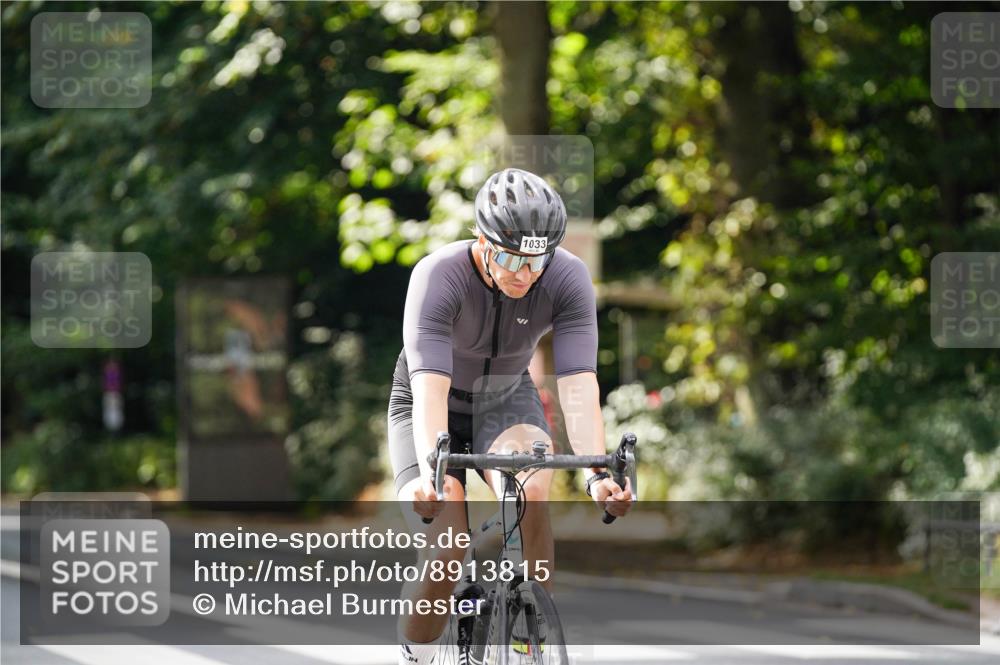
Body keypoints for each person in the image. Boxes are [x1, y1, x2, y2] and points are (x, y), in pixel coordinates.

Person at [388, 168, 634, 665]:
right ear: (481, 240)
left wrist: (597, 474)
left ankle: (528, 640)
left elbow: (578, 384)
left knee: (534, 489)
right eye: (507, 258)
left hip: (505, 397)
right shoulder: (439, 275)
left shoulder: (566, 277)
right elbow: (429, 388)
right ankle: (416, 654)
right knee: (447, 545)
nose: (522, 274)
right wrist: (432, 478)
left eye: (535, 260)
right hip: (430, 399)